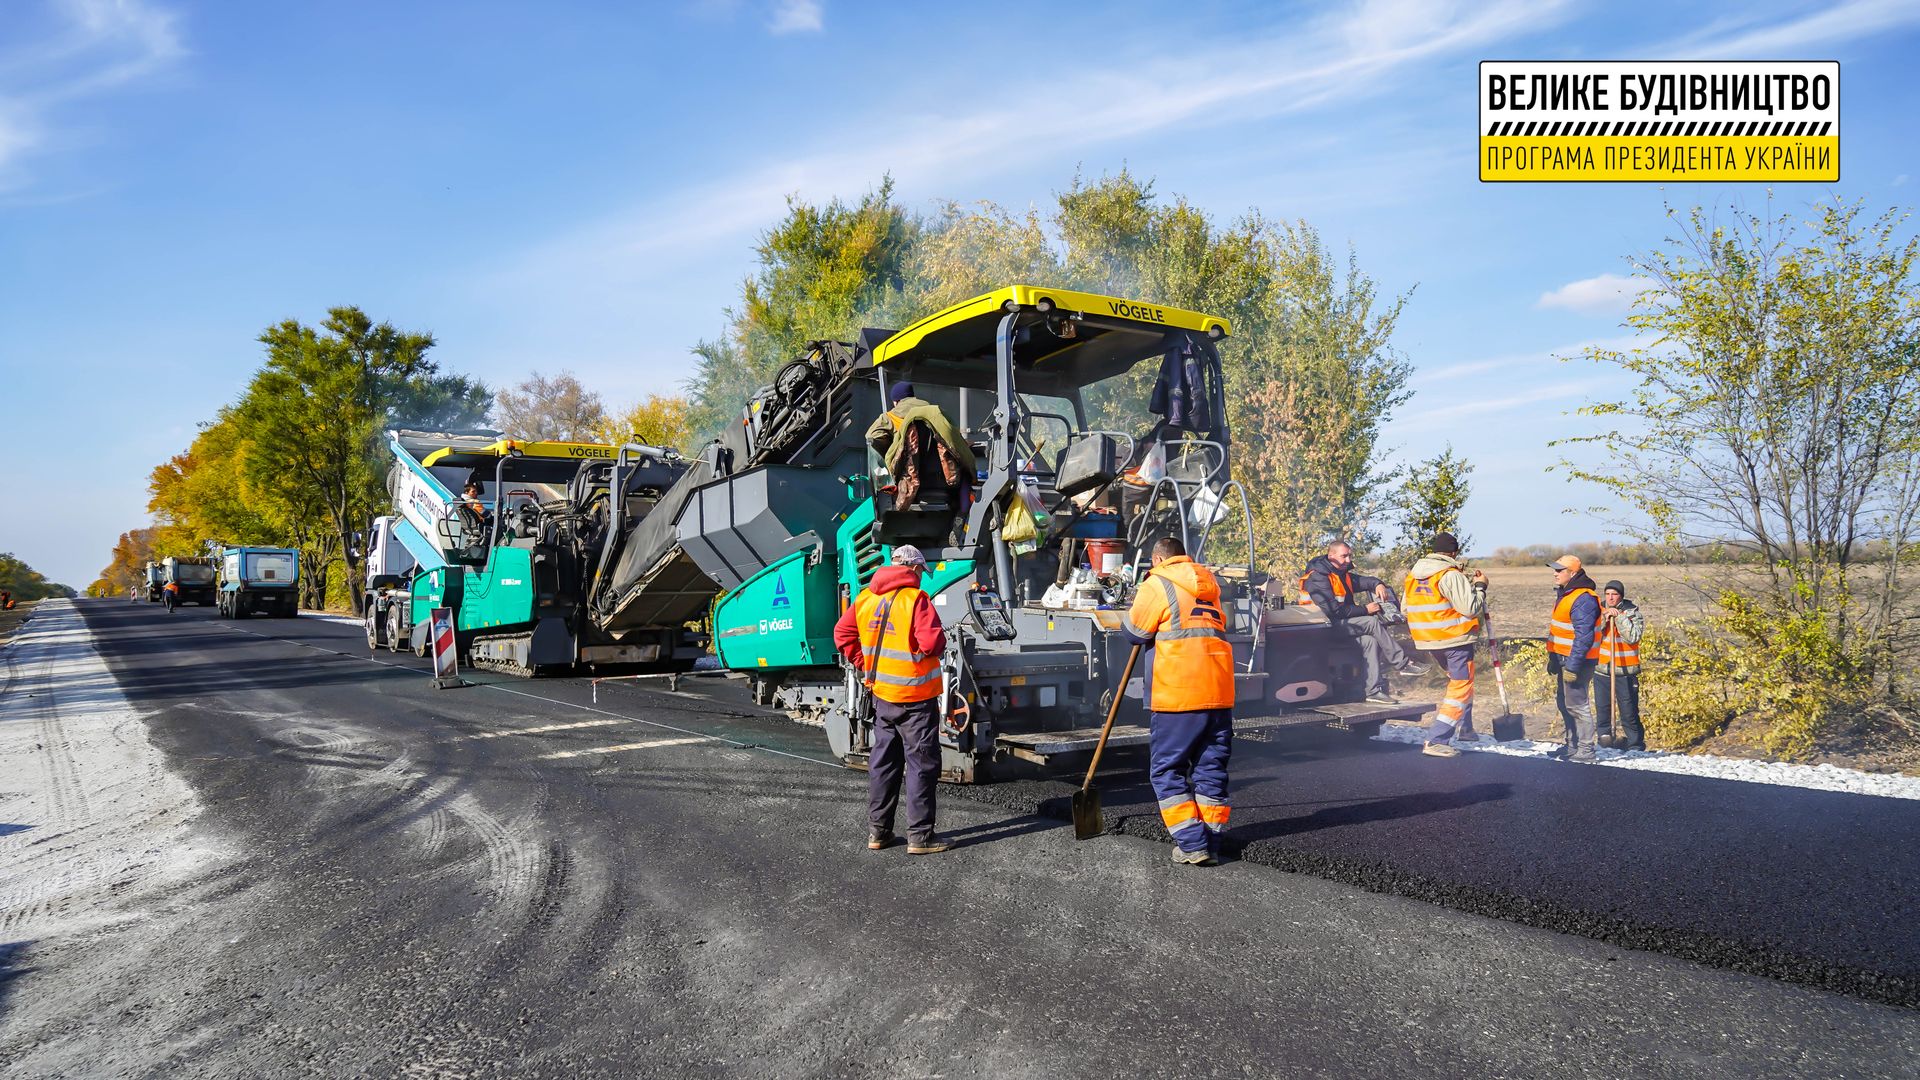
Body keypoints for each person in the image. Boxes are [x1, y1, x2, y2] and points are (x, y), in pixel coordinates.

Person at [833, 544, 952, 855]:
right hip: (916, 697)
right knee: (921, 765)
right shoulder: (917, 600)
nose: (922, 579)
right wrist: (939, 639)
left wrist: (865, 662)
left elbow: (842, 634)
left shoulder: (865, 598)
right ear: (912, 568)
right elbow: (931, 644)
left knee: (884, 763)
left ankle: (879, 833)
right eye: (921, 572)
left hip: (883, 696)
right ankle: (920, 838)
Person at [1125, 535, 1236, 866]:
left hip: (1178, 693)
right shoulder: (1209, 587)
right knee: (1211, 768)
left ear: (1157, 560)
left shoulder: (1158, 583)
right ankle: (1212, 843)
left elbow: (1134, 631)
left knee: (1167, 770)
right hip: (1218, 692)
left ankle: (1191, 843)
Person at [1300, 541, 1425, 705]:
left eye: (1349, 555)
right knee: (1371, 622)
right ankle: (1403, 664)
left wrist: (1378, 584)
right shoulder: (1318, 577)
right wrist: (1366, 609)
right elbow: (1333, 611)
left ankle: (1373, 691)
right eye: (1344, 556)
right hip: (1320, 629)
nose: (1348, 559)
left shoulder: (1340, 574)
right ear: (1331, 556)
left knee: (1370, 641)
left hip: (1339, 626)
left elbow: (1364, 581)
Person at [1402, 531, 1488, 758]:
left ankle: (1466, 729)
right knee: (1460, 687)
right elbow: (1470, 607)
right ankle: (1437, 739)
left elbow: (1404, 609)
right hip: (1455, 640)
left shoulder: (1413, 575)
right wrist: (1480, 587)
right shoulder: (1449, 575)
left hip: (1428, 640)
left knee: (1459, 683)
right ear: (1454, 552)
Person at [865, 381, 976, 507]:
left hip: (907, 482)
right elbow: (955, 440)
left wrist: (895, 442)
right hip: (946, 480)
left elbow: (871, 437)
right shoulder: (937, 413)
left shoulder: (890, 417)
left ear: (896, 402)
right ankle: (962, 517)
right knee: (966, 477)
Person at [1546, 555, 1603, 763]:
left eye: (1559, 570)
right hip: (1564, 658)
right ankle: (1572, 746)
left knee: (1578, 705)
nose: (1555, 573)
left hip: (1578, 661)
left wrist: (1573, 665)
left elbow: (1584, 636)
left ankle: (1586, 751)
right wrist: (1554, 658)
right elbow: (1561, 632)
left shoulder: (1583, 598)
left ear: (1573, 573)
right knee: (1564, 703)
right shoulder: (1567, 594)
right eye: (1555, 570)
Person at [1595, 579, 1646, 751]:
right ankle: (1604, 741)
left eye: (1614, 594)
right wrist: (1604, 618)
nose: (1610, 598)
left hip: (1625, 671)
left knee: (1629, 711)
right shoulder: (1599, 611)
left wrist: (1619, 618)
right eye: (1607, 594)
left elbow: (1633, 637)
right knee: (1602, 709)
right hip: (1602, 669)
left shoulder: (1632, 613)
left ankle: (1635, 745)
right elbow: (1591, 634)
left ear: (1621, 596)